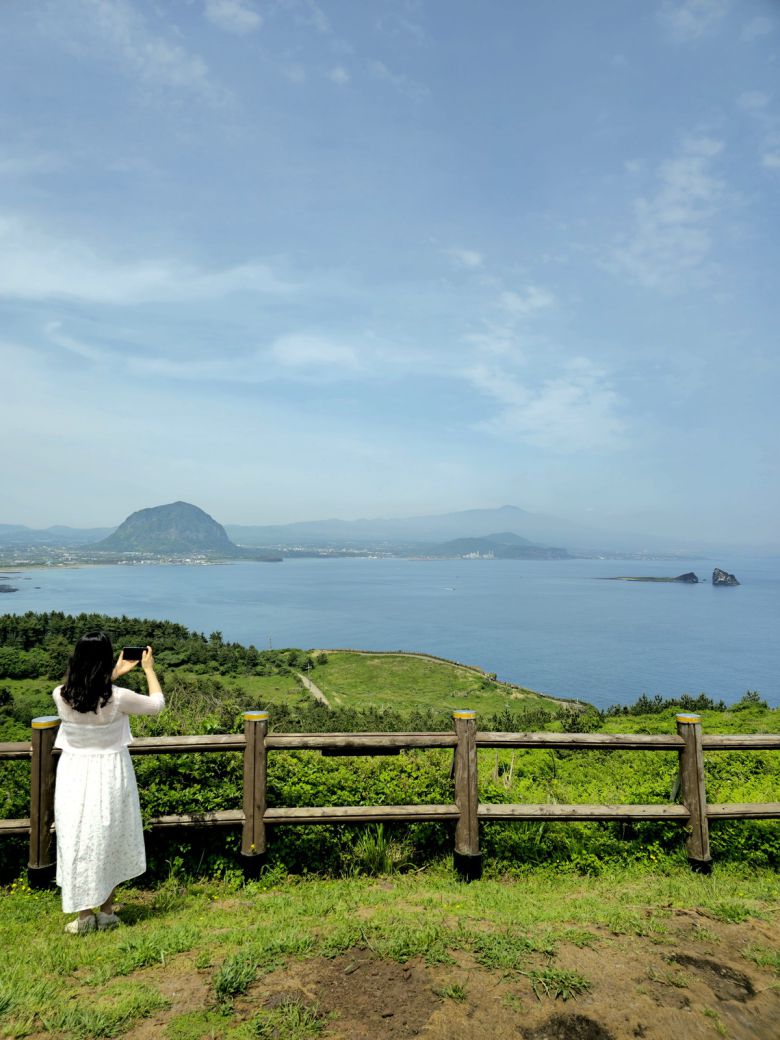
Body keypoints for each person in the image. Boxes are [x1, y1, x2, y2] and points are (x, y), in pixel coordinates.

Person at [52, 632, 165, 934]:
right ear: (105, 660)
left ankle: (84, 916)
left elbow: (89, 692)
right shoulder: (119, 697)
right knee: (109, 837)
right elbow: (157, 704)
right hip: (110, 772)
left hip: (73, 774)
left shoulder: (60, 694)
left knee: (77, 839)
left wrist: (114, 673)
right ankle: (106, 912)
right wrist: (148, 669)